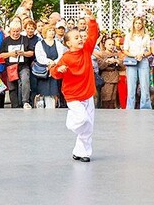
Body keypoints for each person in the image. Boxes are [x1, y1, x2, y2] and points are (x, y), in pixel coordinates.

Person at [51, 14, 101, 161]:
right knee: (83, 119)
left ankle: (82, 153)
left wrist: (91, 20)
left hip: (87, 94)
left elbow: (93, 34)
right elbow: (54, 72)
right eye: (76, 37)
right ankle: (70, 122)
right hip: (73, 96)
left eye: (80, 36)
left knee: (88, 126)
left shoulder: (86, 50)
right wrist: (58, 70)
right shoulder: (66, 57)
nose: (80, 39)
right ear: (68, 43)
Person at [122, 16, 152, 110]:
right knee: (131, 86)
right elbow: (125, 50)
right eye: (136, 23)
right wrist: (134, 55)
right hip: (131, 61)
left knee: (144, 85)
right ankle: (130, 107)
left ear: (142, 24)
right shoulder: (129, 36)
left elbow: (149, 51)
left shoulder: (146, 36)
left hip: (143, 60)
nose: (138, 25)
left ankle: (145, 107)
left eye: (139, 23)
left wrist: (142, 55)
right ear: (133, 24)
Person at [31, 23, 61, 109]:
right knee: (43, 90)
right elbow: (39, 57)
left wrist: (54, 63)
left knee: (54, 90)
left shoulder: (58, 43)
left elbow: (61, 56)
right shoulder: (39, 44)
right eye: (49, 30)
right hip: (44, 71)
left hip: (55, 69)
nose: (51, 32)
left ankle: (54, 105)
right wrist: (48, 62)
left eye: (53, 30)